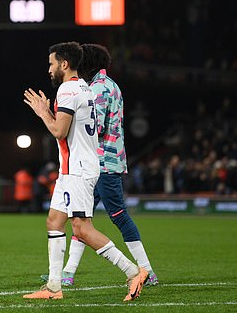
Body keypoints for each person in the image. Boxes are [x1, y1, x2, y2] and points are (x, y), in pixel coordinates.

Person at [22, 42, 147, 302]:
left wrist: (43, 113)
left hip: (78, 169)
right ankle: (54, 286)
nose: (49, 69)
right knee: (55, 221)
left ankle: (133, 272)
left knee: (81, 229)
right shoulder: (85, 88)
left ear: (64, 64)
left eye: (51, 63)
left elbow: (59, 130)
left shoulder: (68, 90)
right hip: (75, 168)